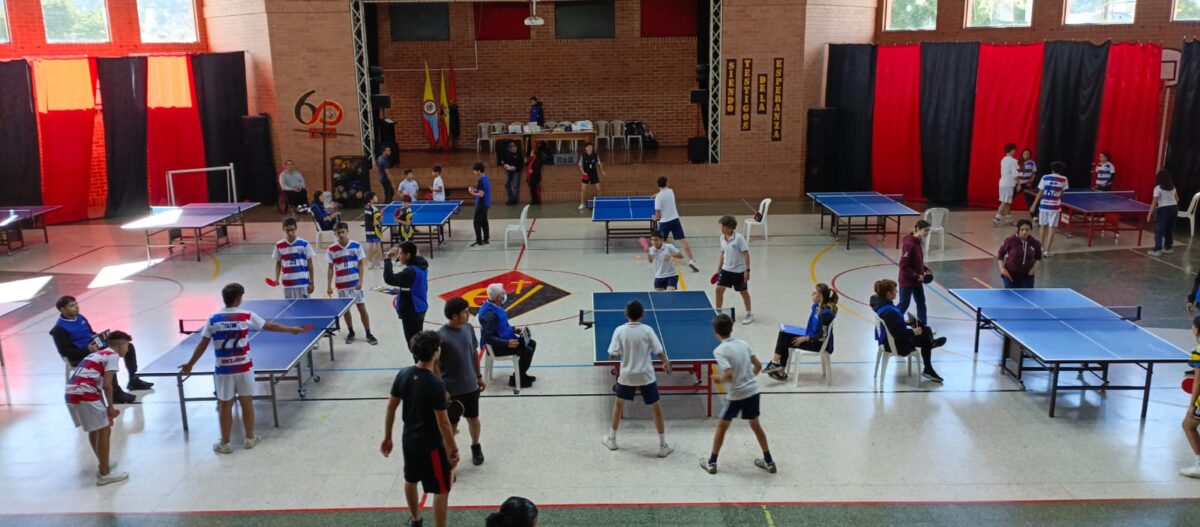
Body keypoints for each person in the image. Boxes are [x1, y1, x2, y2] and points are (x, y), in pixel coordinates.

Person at [178, 283, 307, 454]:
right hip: (244, 367)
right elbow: (271, 326)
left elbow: (202, 344)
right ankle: (250, 438)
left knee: (225, 405)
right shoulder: (246, 315)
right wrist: (291, 329)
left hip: (224, 369)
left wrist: (190, 364)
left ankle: (225, 443)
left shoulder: (213, 319)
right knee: (247, 402)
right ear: (239, 299)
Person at [380, 331, 459, 527]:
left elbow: (391, 407)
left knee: (411, 480)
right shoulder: (436, 384)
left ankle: (416, 519)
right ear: (436, 352)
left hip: (408, 440)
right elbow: (443, 423)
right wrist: (452, 449)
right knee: (442, 489)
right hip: (431, 446)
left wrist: (387, 437)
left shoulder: (404, 374)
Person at [699, 314, 775, 475]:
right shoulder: (743, 343)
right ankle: (769, 461)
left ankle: (712, 463)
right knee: (756, 425)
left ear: (715, 332)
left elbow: (729, 374)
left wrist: (719, 379)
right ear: (731, 329)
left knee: (722, 427)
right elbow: (758, 366)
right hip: (753, 391)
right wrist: (748, 379)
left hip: (736, 395)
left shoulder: (719, 350)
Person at [601, 300, 674, 458]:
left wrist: (616, 354)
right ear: (642, 315)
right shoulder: (647, 330)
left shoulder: (620, 330)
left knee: (618, 405)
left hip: (627, 375)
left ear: (626, 314)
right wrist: (666, 363)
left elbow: (612, 355)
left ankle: (612, 440)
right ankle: (663, 446)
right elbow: (659, 351)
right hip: (646, 375)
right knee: (656, 408)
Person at [65, 329, 134, 486]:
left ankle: (104, 463)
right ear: (120, 345)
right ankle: (105, 473)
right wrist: (111, 407)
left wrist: (105, 408)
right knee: (104, 429)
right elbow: (107, 385)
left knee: (96, 429)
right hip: (85, 393)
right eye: (127, 346)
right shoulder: (112, 355)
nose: (128, 349)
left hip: (71, 393)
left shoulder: (97, 354)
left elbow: (98, 384)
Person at [51, 296, 150, 403]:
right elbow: (66, 353)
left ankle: (133, 379)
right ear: (62, 309)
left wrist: (100, 337)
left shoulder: (80, 317)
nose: (76, 307)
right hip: (81, 356)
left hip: (94, 348)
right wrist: (88, 350)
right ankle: (115, 393)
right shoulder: (59, 329)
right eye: (72, 306)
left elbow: (90, 333)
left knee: (127, 346)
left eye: (76, 304)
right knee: (109, 355)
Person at [437, 297, 486, 466]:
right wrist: (442, 389)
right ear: (454, 316)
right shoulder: (441, 336)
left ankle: (476, 446)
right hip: (452, 391)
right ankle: (450, 456)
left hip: (471, 386)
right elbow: (435, 365)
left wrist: (478, 376)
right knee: (452, 425)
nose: (468, 314)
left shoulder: (468, 328)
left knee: (474, 419)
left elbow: (473, 352)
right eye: (465, 312)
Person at [870, 279, 947, 383]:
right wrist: (914, 331)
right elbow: (899, 335)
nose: (896, 292)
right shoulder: (889, 312)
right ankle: (928, 366)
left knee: (926, 329)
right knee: (925, 336)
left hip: (887, 339)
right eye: (894, 290)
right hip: (896, 345)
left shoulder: (879, 302)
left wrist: (905, 322)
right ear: (888, 293)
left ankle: (930, 344)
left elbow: (892, 326)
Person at [762, 283, 838, 381]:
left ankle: (778, 368)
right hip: (811, 335)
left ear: (821, 297)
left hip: (817, 344)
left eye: (815, 293)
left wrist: (806, 338)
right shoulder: (817, 307)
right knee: (783, 333)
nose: (812, 293)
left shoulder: (825, 314)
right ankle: (777, 366)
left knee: (785, 340)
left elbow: (822, 337)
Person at [326, 222, 378, 345]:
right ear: (335, 234)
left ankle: (368, 333)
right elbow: (330, 268)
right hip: (341, 285)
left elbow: (360, 264)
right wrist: (328, 285)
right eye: (338, 233)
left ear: (347, 232)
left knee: (362, 308)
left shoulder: (356, 246)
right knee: (346, 310)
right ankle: (351, 332)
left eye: (343, 232)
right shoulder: (331, 249)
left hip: (355, 284)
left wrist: (360, 281)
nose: (341, 235)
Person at [478, 284, 537, 388]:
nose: (505, 294)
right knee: (527, 350)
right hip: (497, 347)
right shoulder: (489, 315)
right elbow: (488, 337)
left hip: (501, 340)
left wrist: (514, 329)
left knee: (532, 343)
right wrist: (507, 343)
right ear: (498, 297)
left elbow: (501, 327)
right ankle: (516, 380)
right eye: (503, 293)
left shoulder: (495, 306)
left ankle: (521, 374)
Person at [384, 241, 430, 353]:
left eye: (400, 253)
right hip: (420, 307)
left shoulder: (410, 272)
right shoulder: (422, 264)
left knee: (414, 345)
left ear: (408, 255)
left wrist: (387, 259)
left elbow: (389, 278)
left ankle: (420, 362)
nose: (399, 256)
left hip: (411, 311)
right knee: (418, 341)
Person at [653, 176, 700, 272]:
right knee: (683, 241)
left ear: (658, 185)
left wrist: (654, 218)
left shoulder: (658, 197)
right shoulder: (671, 191)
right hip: (675, 220)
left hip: (664, 222)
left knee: (660, 241)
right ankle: (691, 260)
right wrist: (657, 194)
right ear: (666, 183)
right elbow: (664, 192)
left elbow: (658, 213)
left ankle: (662, 259)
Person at [715, 215, 753, 324]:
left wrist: (747, 270)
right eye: (721, 226)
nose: (721, 229)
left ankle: (749, 314)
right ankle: (718, 312)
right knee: (718, 289)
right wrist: (719, 269)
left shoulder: (739, 238)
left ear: (730, 227)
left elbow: (746, 254)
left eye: (723, 227)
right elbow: (722, 253)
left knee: (743, 292)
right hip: (725, 270)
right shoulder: (722, 238)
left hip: (739, 271)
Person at [1029, 161, 1070, 259]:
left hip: (1044, 206)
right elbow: (1062, 193)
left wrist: (1033, 205)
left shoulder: (1045, 177)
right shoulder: (1064, 179)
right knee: (1052, 228)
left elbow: (1040, 192)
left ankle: (1040, 248)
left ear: (1052, 169)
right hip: (1054, 207)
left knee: (1042, 226)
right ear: (1061, 170)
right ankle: (1047, 251)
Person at [897, 220, 932, 325]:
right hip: (907, 280)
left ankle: (923, 325)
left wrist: (925, 268)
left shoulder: (918, 241)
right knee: (904, 304)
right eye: (925, 230)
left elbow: (916, 260)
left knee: (921, 303)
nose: (927, 233)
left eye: (928, 230)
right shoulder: (910, 244)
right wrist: (916, 275)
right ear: (917, 229)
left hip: (917, 280)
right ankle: (892, 322)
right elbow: (903, 265)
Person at [272, 218, 317, 299]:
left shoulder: (304, 244)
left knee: (305, 306)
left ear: (296, 228)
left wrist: (312, 282)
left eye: (292, 229)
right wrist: (276, 278)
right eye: (287, 230)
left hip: (303, 283)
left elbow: (310, 264)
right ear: (283, 229)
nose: (290, 232)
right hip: (288, 284)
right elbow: (278, 263)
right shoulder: (279, 245)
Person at [1180, 316, 1200, 478]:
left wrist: (1192, 404)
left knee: (1188, 425)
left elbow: (1198, 380)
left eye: (1192, 326)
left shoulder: (1198, 350)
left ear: (1197, 329)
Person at [997, 219, 1042, 288]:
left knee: (1027, 293)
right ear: (1018, 230)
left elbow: (1038, 257)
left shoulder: (1035, 243)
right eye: (1022, 229)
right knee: (1011, 294)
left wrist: (1033, 269)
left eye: (1027, 229)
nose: (1024, 232)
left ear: (1031, 230)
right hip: (1010, 274)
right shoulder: (1010, 240)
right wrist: (1002, 269)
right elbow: (1000, 254)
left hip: (1027, 275)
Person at [1148, 169, 1180, 257]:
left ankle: (1157, 250)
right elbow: (1177, 199)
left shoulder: (1157, 188)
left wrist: (1149, 214)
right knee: (1168, 229)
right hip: (1174, 208)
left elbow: (1154, 203)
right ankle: (1168, 248)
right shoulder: (1172, 187)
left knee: (1159, 229)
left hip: (1164, 210)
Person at [994, 143, 1019, 226]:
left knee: (1007, 201)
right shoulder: (1013, 161)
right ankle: (997, 218)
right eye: (1014, 150)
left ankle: (1009, 219)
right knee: (1005, 201)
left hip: (1002, 183)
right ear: (1012, 150)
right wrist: (1018, 184)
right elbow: (1015, 173)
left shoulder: (1003, 159)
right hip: (1008, 183)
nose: (1015, 152)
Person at [468, 162, 492, 247]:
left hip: (482, 204)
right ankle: (486, 238)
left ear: (478, 171)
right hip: (486, 203)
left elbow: (481, 194)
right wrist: (475, 189)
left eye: (474, 170)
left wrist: (472, 192)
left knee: (476, 222)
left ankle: (479, 241)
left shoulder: (480, 181)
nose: (474, 172)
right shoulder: (486, 178)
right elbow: (482, 190)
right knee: (484, 221)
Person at [578, 142, 604, 210]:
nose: (590, 148)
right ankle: (582, 204)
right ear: (586, 148)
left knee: (598, 189)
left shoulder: (595, 154)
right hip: (586, 174)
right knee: (583, 190)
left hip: (594, 174)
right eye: (588, 147)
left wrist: (602, 171)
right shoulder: (583, 155)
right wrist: (583, 173)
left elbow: (599, 163)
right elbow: (580, 165)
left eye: (591, 147)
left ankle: (599, 202)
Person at [362, 192, 384, 269]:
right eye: (375, 196)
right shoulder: (375, 209)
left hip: (368, 229)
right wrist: (381, 217)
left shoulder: (366, 207)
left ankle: (369, 263)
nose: (376, 197)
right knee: (378, 246)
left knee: (370, 246)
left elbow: (369, 220)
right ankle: (382, 262)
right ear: (371, 199)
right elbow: (376, 223)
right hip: (375, 230)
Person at [1017, 148, 1038, 217]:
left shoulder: (1032, 163)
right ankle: (1006, 215)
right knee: (1009, 198)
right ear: (1022, 154)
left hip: (1027, 184)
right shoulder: (1017, 162)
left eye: (1028, 154)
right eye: (1025, 154)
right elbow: (1014, 174)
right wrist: (1018, 184)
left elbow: (1033, 173)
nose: (1026, 155)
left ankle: (1034, 216)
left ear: (1030, 155)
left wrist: (1030, 182)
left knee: (1030, 200)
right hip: (1018, 184)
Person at [526, 141, 547, 205]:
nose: (531, 153)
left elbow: (537, 168)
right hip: (531, 177)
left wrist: (532, 171)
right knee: (532, 190)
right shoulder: (531, 159)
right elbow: (528, 165)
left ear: (534, 154)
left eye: (532, 152)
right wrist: (525, 162)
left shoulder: (537, 160)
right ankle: (533, 200)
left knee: (536, 189)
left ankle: (537, 201)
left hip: (535, 177)